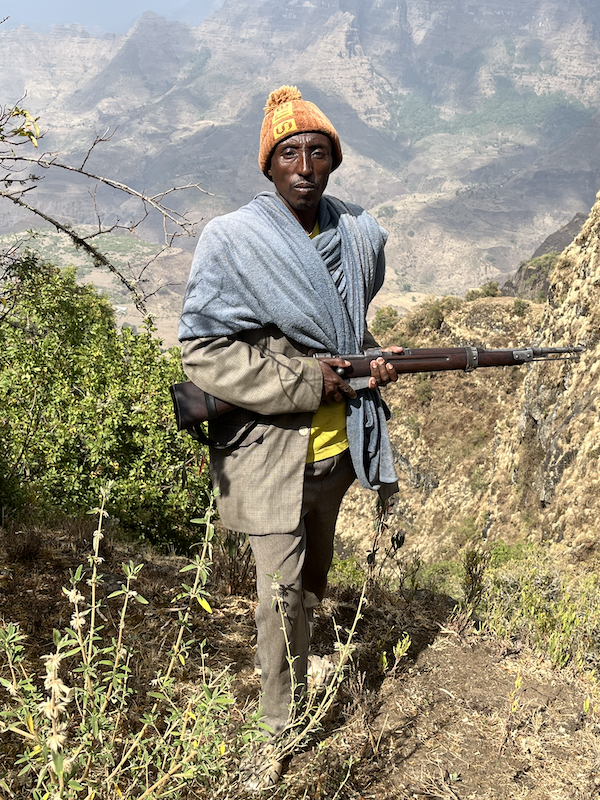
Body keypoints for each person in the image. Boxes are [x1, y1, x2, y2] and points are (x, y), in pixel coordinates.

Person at [178, 85, 400, 789]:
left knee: (309, 586)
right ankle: (278, 730)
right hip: (270, 452)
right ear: (268, 167)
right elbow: (205, 354)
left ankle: (305, 664)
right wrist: (311, 383)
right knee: (278, 599)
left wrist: (369, 360)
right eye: (288, 153)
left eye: (318, 151)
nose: (304, 165)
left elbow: (345, 329)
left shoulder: (360, 234)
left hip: (336, 455)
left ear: (334, 160)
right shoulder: (233, 239)